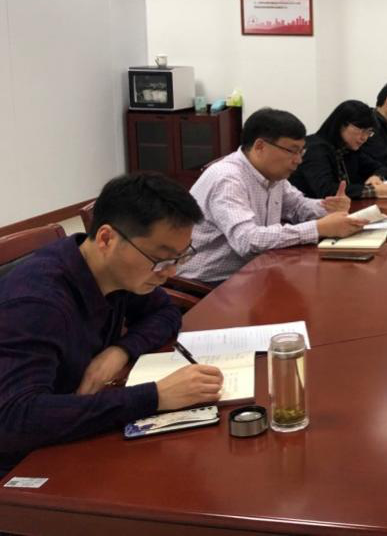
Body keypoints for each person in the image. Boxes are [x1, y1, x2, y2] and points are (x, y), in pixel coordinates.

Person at [0, 172, 224, 475]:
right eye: (161, 259)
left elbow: (165, 313)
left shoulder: (114, 271)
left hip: (76, 429)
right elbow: (14, 419)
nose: (170, 273)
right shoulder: (37, 302)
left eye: (179, 258)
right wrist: (155, 396)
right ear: (107, 238)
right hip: (25, 464)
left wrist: (119, 351)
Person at [178, 108, 365, 285]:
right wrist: (317, 228)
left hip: (255, 270)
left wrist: (327, 208)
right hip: (209, 283)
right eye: (292, 151)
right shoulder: (227, 179)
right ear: (260, 146)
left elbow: (297, 206)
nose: (299, 160)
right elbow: (247, 241)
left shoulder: (273, 176)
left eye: (301, 151)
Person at [290, 100, 387, 200]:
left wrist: (376, 177)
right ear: (341, 124)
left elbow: (383, 169)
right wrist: (375, 190)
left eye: (369, 132)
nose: (364, 138)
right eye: (361, 130)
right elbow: (326, 191)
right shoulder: (315, 149)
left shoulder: (349, 149)